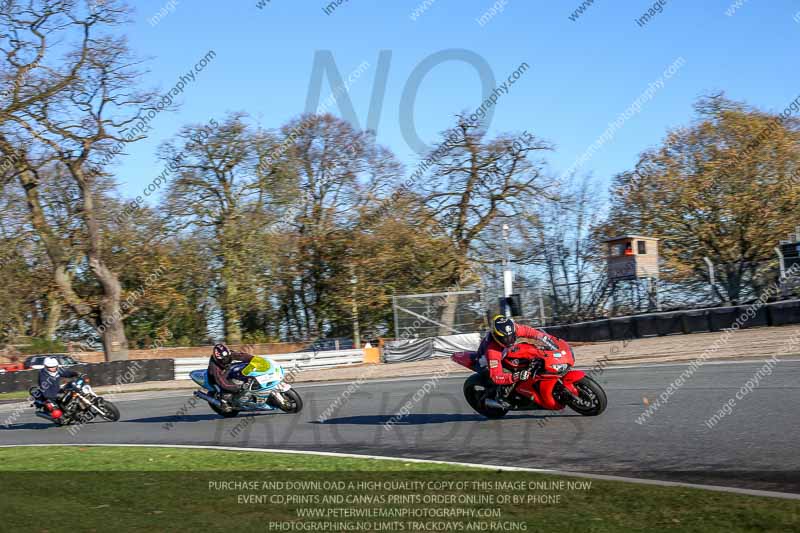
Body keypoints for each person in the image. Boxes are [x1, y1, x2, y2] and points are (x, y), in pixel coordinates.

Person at [476, 315, 557, 408]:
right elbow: (496, 376)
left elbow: (530, 332)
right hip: (486, 364)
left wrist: (547, 339)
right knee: (511, 373)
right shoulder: (492, 350)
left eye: (511, 336)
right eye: (505, 338)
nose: (509, 340)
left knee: (529, 354)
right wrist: (516, 376)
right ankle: (501, 398)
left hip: (503, 354)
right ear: (496, 336)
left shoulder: (513, 329)